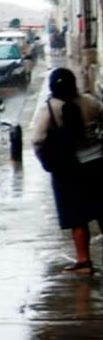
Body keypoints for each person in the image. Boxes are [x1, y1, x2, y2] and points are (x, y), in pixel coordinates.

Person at [32, 68, 103, 274]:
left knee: (77, 216)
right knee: (101, 211)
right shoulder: (90, 102)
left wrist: (46, 161)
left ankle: (84, 262)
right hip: (97, 164)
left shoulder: (49, 109)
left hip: (68, 169)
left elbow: (37, 140)